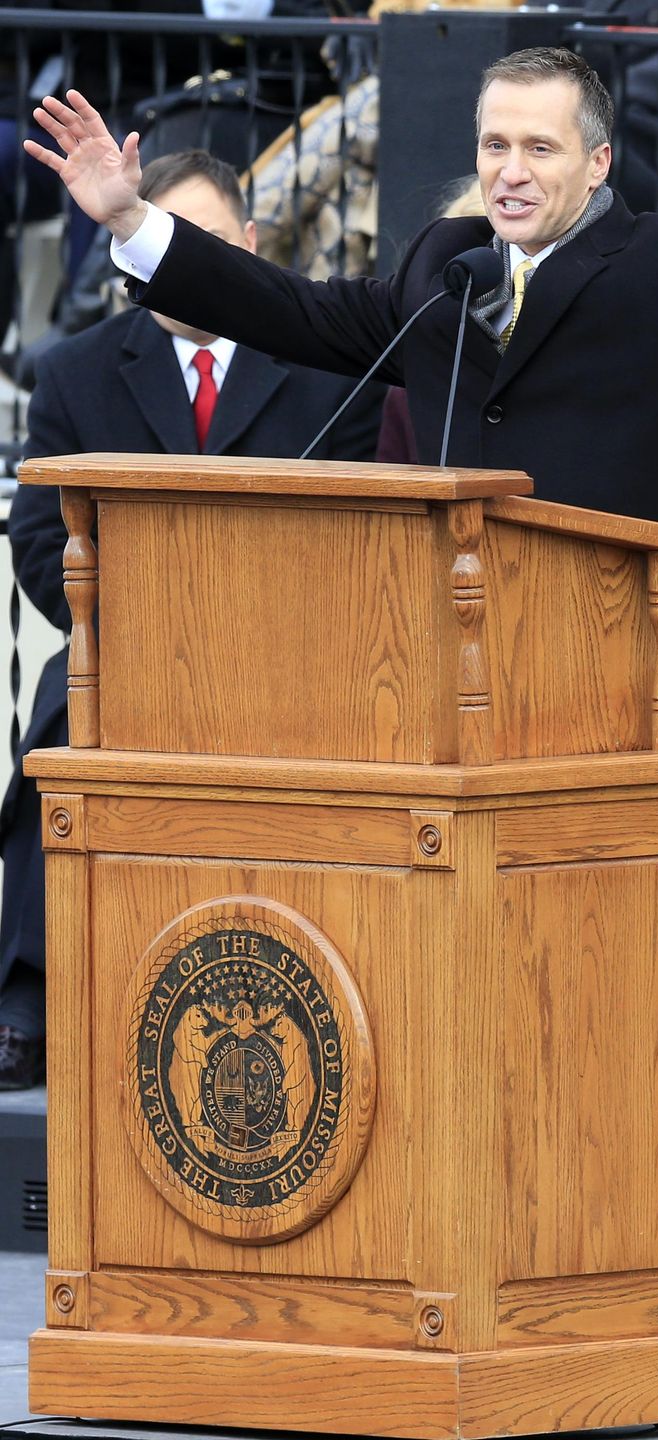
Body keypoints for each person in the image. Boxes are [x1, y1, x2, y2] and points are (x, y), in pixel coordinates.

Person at [22, 46, 658, 950]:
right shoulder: (448, 265)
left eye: (541, 148)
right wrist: (135, 219)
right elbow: (293, 310)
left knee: (639, 999)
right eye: (495, 144)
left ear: (599, 162)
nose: (510, 170)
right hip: (459, 690)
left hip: (621, 686)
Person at [0, 146, 385, 1089]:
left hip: (299, 659)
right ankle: (25, 996)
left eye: (205, 242)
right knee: (56, 736)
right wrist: (153, 622)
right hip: (126, 648)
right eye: (159, 238)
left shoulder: (333, 366)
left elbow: (368, 534)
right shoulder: (76, 371)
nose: (184, 264)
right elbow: (44, 543)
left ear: (251, 245)